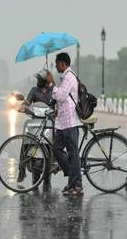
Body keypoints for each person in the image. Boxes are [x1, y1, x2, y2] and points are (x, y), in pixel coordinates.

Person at [46, 52, 83, 196]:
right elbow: (63, 99)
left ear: (62, 63)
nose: (55, 66)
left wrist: (51, 84)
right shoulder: (65, 77)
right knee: (56, 149)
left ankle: (77, 185)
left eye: (57, 63)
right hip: (62, 122)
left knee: (73, 154)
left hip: (70, 122)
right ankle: (72, 179)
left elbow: (60, 96)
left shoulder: (69, 77)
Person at [17, 69, 54, 184]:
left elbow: (58, 104)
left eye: (39, 79)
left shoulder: (53, 91)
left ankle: (52, 164)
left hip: (49, 122)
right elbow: (27, 101)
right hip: (35, 123)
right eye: (37, 79)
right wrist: (23, 106)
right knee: (25, 144)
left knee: (54, 145)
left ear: (45, 80)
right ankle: (22, 169)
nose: (37, 81)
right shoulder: (34, 90)